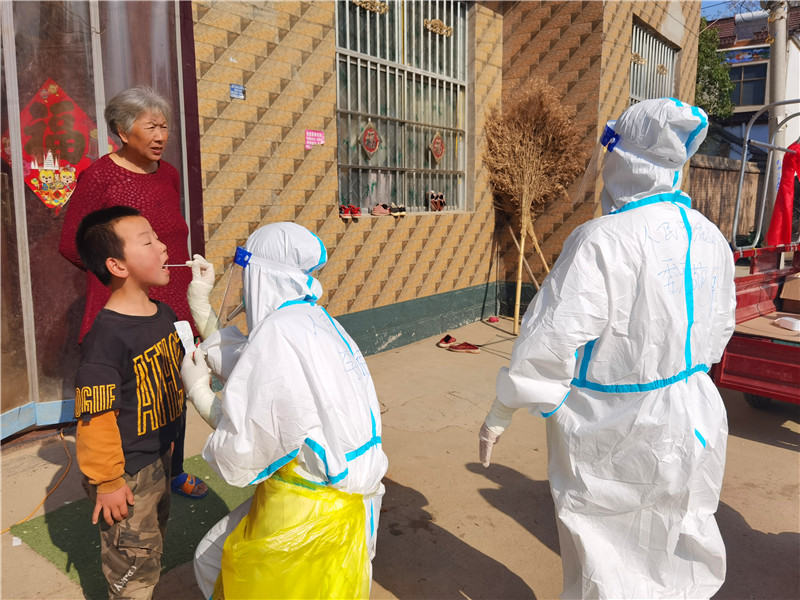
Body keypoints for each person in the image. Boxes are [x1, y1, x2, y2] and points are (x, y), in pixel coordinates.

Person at [478, 98, 737, 599]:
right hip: (695, 413)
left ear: (626, 159)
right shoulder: (710, 237)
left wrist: (503, 408)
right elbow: (720, 328)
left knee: (608, 554)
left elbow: (552, 337)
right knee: (678, 543)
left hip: (614, 427)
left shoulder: (601, 239)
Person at [180, 222, 388, 599]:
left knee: (216, 562)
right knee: (214, 560)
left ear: (261, 276)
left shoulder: (279, 332)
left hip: (308, 505)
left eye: (247, 274)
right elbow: (252, 364)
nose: (243, 287)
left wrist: (198, 390)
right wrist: (201, 303)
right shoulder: (314, 320)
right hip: (346, 499)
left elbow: (248, 439)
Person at [59, 86, 207, 500]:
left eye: (164, 126)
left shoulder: (169, 174)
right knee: (131, 399)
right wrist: (120, 280)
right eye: (151, 127)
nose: (161, 136)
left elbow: (172, 235)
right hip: (129, 306)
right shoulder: (100, 177)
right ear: (123, 132)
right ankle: (119, 477)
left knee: (174, 391)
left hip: (173, 303)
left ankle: (174, 470)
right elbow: (72, 243)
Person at [72, 206, 185, 599]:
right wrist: (107, 482)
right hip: (127, 473)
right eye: (148, 241)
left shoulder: (164, 313)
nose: (163, 247)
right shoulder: (105, 339)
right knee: (132, 566)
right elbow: (95, 419)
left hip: (159, 457)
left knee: (152, 544)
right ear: (117, 265)